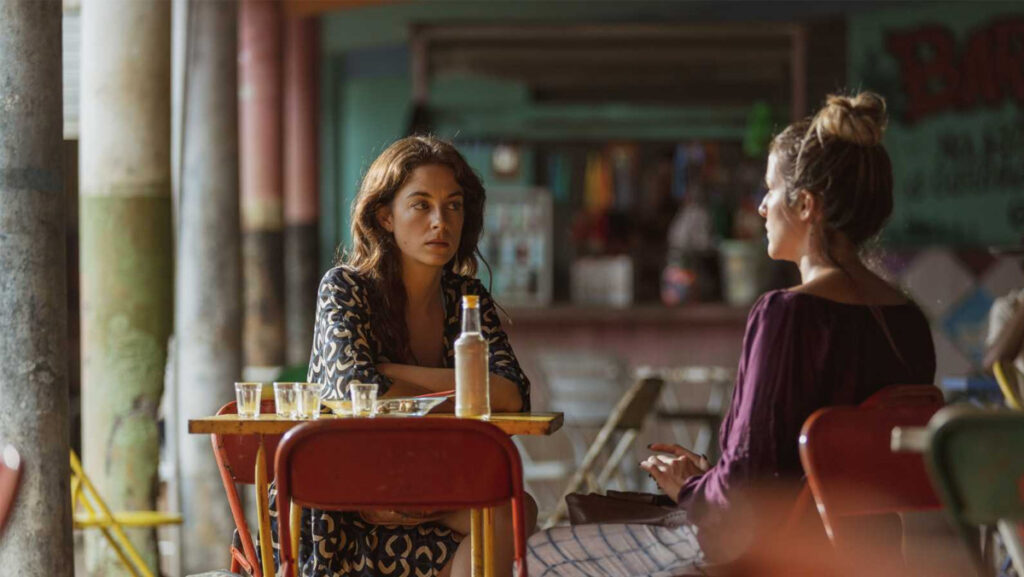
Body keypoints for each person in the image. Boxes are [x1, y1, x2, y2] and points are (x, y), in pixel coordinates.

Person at [527, 92, 937, 576]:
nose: (761, 207)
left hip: (766, 555)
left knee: (536, 556)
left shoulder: (787, 316)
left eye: (770, 190)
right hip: (867, 558)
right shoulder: (908, 321)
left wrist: (689, 488)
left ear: (805, 205)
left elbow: (744, 499)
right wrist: (711, 478)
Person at [269, 135, 535, 577]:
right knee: (509, 514)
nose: (440, 222)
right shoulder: (345, 288)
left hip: (430, 487)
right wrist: (464, 392)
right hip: (344, 508)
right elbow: (352, 389)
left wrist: (391, 375)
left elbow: (512, 393)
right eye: (421, 205)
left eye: (453, 206)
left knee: (515, 511)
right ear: (384, 216)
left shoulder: (466, 297)